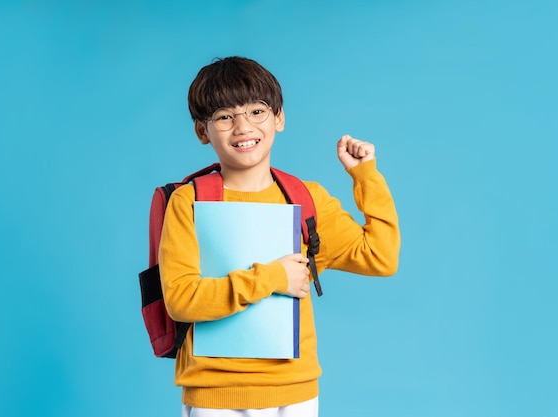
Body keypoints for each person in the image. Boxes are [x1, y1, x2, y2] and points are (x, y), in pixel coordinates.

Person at [159, 56, 401, 417]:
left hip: (296, 393)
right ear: (202, 131)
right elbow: (180, 300)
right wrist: (273, 278)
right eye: (224, 116)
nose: (242, 127)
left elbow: (381, 257)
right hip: (214, 393)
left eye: (256, 111)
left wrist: (365, 176)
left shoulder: (306, 198)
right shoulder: (189, 201)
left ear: (279, 118)